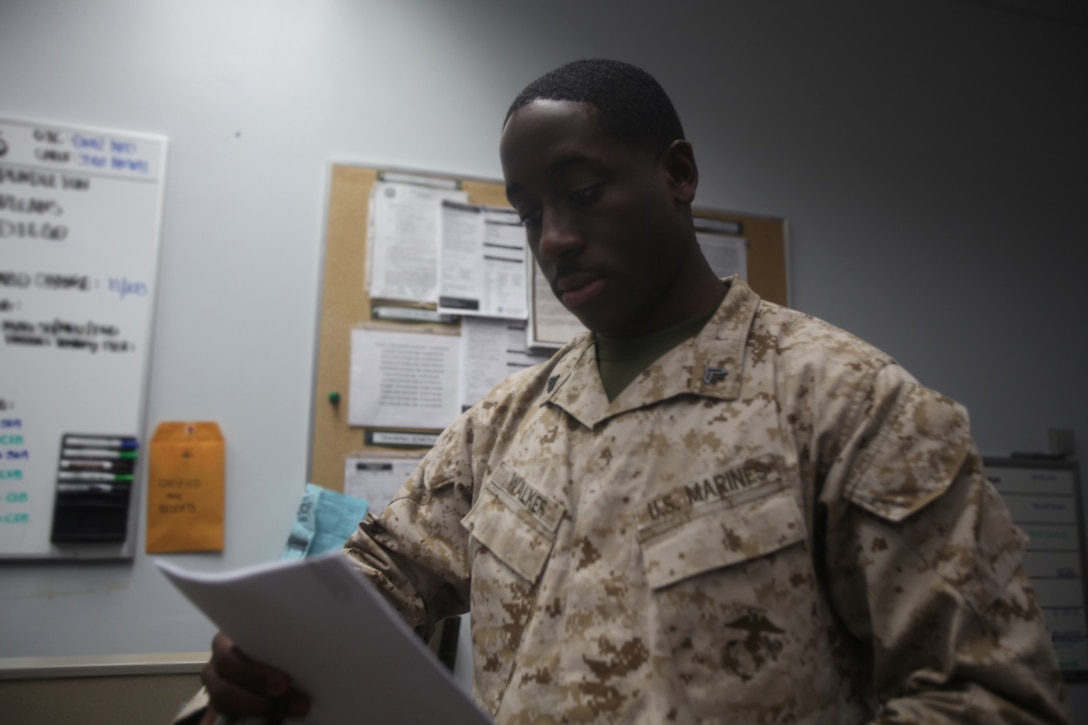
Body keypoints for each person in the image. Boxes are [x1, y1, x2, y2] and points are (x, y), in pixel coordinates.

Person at [184, 59, 1071, 724]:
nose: (556, 238)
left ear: (677, 175)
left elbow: (990, 699)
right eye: (530, 212)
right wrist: (266, 653)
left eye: (583, 192)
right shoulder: (504, 425)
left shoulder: (851, 404)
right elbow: (376, 577)